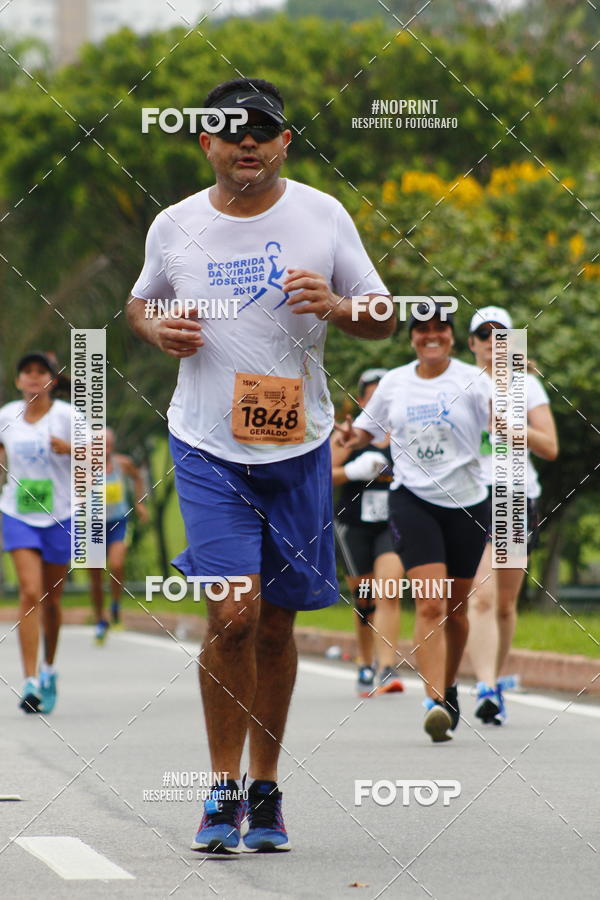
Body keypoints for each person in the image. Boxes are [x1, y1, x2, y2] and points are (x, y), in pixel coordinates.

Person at [126, 77, 394, 853]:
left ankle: (266, 791)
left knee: (276, 626)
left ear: (284, 142)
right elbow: (140, 303)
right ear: (206, 142)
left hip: (300, 448)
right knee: (233, 615)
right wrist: (157, 330)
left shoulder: (323, 215)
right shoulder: (175, 224)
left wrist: (339, 307)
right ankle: (220, 791)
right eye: (231, 130)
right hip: (208, 446)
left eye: (262, 130)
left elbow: (382, 313)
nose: (247, 141)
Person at [336, 303, 491, 743]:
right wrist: (351, 437)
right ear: (412, 338)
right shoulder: (395, 382)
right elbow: (366, 431)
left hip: (467, 503)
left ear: (452, 337)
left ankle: (449, 684)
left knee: (456, 610)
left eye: (440, 328)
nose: (431, 335)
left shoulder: (473, 380)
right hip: (413, 500)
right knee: (430, 604)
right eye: (422, 329)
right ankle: (434, 701)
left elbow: (502, 425)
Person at [466, 306, 558, 724]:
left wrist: (509, 429)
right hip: (469, 495)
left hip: (514, 496)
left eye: (500, 334)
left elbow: (550, 447)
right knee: (481, 597)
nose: (493, 342)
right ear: (472, 343)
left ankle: (496, 682)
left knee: (504, 604)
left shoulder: (527, 386)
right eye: (484, 334)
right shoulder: (459, 384)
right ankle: (485, 686)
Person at [0, 352, 73, 714]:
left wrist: (70, 448)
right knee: (30, 591)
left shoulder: (68, 417)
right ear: (18, 381)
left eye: (40, 372)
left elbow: (98, 459)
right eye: (26, 372)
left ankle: (48, 669)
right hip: (18, 514)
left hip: (61, 515)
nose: (32, 377)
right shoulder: (6, 416)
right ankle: (29, 680)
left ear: (52, 381)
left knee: (52, 601)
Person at [332, 369, 405, 696]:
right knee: (365, 597)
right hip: (354, 524)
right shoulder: (349, 434)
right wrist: (352, 471)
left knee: (389, 588)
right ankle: (365, 661)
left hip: (393, 522)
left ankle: (387, 667)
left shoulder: (407, 432)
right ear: (362, 401)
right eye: (373, 397)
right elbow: (322, 474)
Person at [89, 427, 149, 643]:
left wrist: (139, 503)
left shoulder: (122, 464)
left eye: (108, 445)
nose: (104, 449)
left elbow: (138, 477)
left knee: (116, 564)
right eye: (100, 445)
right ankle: (99, 618)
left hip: (118, 524)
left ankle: (115, 605)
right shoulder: (84, 468)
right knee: (95, 577)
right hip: (92, 527)